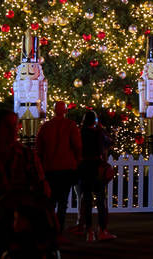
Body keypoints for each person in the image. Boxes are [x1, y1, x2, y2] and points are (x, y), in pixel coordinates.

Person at [0, 110, 48, 221]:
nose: (13, 130)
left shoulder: (27, 155)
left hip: (22, 216)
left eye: (14, 125)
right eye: (7, 126)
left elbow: (41, 185)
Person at [35, 100, 82, 234]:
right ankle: (59, 229)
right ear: (65, 111)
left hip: (49, 168)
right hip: (66, 168)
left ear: (54, 110)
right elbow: (77, 146)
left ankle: (49, 227)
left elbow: (39, 149)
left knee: (50, 201)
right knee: (62, 201)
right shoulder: (71, 125)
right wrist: (78, 162)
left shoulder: (45, 127)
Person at [76, 110, 116, 241]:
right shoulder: (99, 133)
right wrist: (102, 129)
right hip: (97, 167)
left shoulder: (80, 133)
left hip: (84, 167)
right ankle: (102, 229)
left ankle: (89, 231)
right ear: (95, 121)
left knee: (87, 199)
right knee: (100, 200)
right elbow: (110, 142)